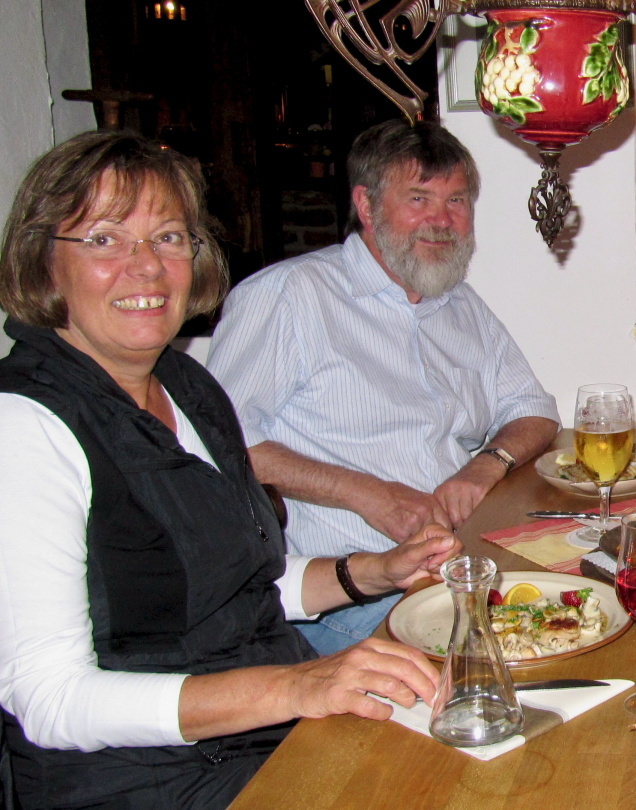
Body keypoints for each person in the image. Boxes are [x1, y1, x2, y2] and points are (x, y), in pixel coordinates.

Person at [0, 131, 461, 808]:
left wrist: (373, 570)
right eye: (103, 239)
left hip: (264, 731)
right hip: (144, 780)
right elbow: (51, 701)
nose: (146, 267)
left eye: (167, 237)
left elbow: (236, 583)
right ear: (44, 263)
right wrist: (296, 687)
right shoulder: (25, 426)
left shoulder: (185, 386)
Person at [208, 120, 560, 653]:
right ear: (367, 206)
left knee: (598, 601)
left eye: (457, 201)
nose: (442, 221)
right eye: (418, 198)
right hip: (351, 602)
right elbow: (220, 444)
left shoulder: (459, 303)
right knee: (515, 672)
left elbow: (535, 410)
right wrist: (367, 494)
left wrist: (485, 465)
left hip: (460, 571)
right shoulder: (287, 296)